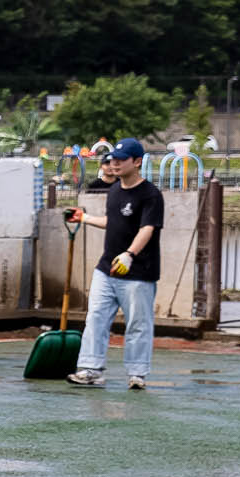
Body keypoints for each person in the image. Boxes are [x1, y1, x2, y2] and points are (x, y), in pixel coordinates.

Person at [68, 138, 163, 389]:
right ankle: (90, 369)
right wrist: (84, 217)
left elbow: (148, 229)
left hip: (138, 271)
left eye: (122, 159)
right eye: (113, 159)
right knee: (96, 318)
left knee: (138, 324)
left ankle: (137, 374)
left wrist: (129, 254)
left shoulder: (151, 195)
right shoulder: (115, 191)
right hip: (106, 268)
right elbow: (113, 221)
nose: (115, 163)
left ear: (138, 162)